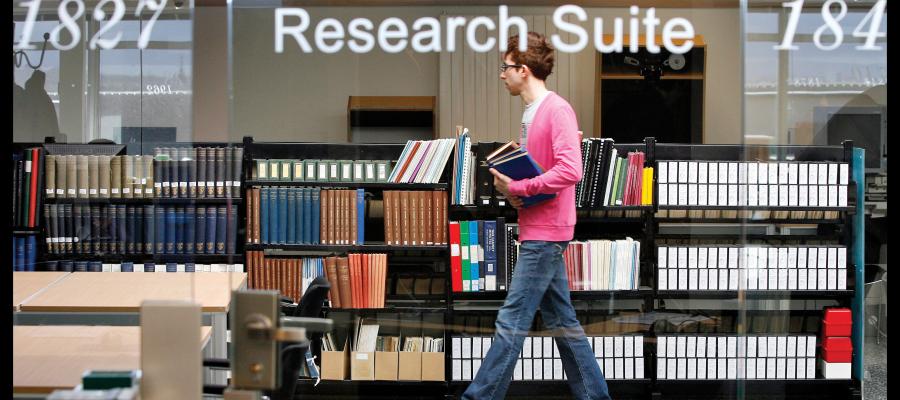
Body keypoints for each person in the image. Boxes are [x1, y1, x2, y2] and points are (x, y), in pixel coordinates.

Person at [461, 32, 610, 400]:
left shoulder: (556, 109)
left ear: (523, 70)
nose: (501, 74)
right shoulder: (533, 112)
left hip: (546, 233)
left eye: (505, 67)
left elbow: (570, 170)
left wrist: (519, 189)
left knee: (511, 321)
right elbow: (541, 174)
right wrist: (516, 193)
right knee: (562, 321)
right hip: (539, 226)